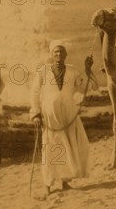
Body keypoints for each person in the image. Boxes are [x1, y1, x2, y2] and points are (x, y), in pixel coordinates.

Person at [30, 40, 97, 195]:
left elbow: (87, 87)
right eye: (56, 52)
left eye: (61, 52)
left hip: (68, 113)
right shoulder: (43, 71)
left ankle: (64, 181)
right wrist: (35, 113)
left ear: (66, 54)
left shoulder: (73, 71)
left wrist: (88, 70)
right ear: (52, 54)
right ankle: (47, 185)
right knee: (50, 147)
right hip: (50, 114)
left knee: (71, 145)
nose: (59, 54)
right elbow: (34, 93)